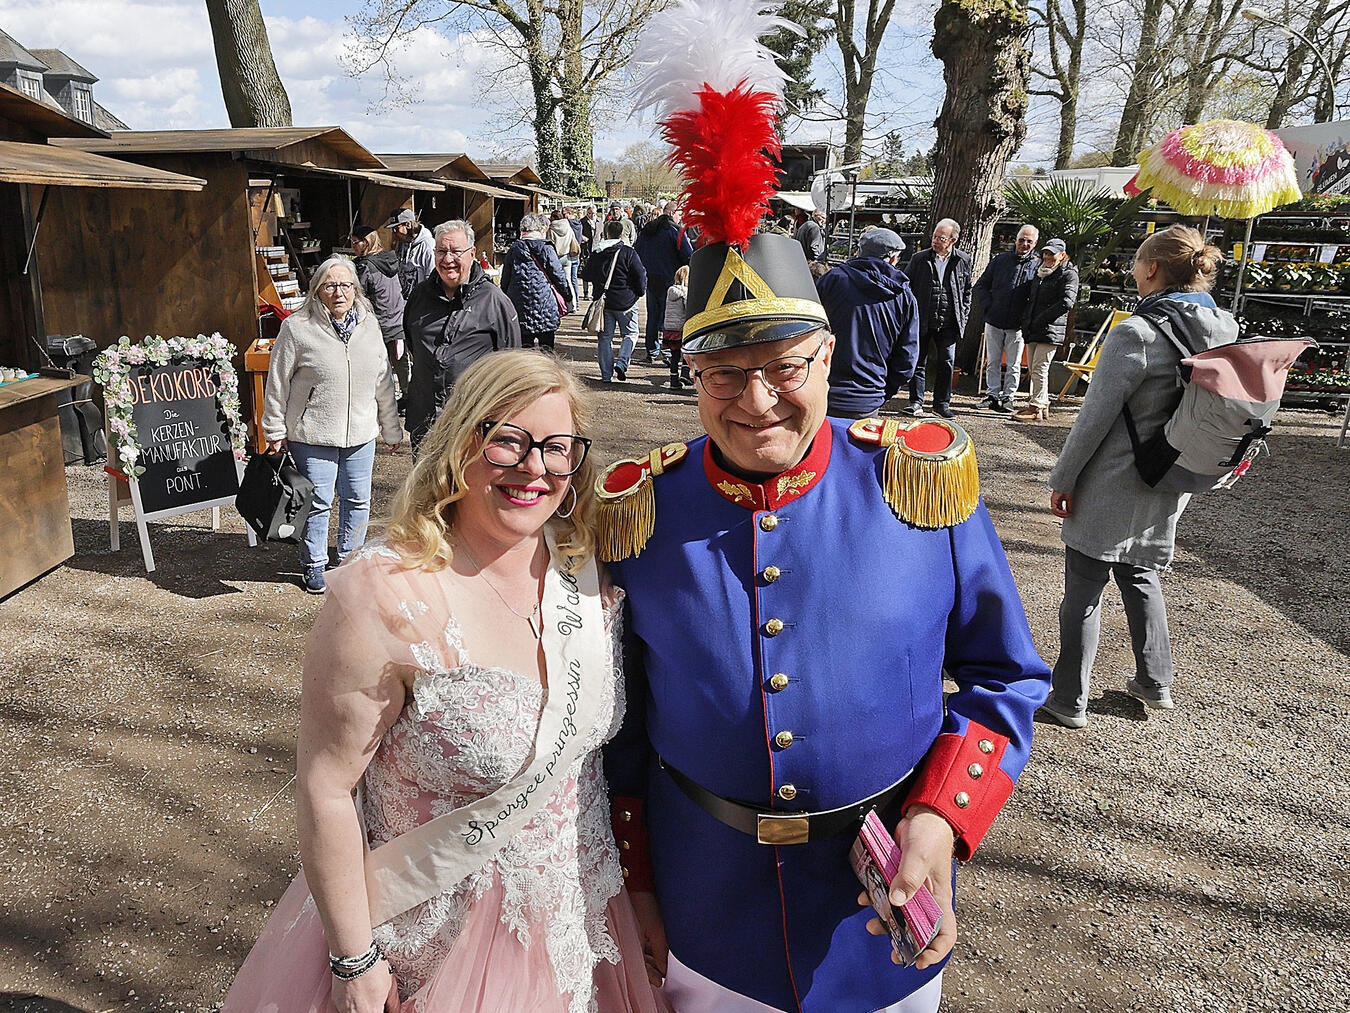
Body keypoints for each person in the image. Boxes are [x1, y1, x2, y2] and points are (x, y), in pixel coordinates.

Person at [598, 230, 1050, 1013]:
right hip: (705, 912)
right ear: (693, 374)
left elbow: (1004, 675)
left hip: (877, 915)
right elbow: (621, 731)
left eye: (783, 366)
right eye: (725, 374)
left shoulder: (916, 481)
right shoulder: (641, 510)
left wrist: (941, 818)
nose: (758, 399)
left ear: (828, 355)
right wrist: (635, 882)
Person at [222, 351, 672, 1013]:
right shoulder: (385, 593)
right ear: (463, 440)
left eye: (557, 447)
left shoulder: (588, 571)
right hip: (427, 943)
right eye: (507, 440)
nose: (534, 467)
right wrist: (355, 959)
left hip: (583, 927)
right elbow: (326, 783)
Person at [1037, 226, 1230, 729]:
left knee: (1083, 589)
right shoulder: (1225, 328)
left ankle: (1067, 700)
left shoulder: (1137, 333)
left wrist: (1064, 476)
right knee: (1141, 573)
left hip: (1113, 480)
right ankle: (1154, 682)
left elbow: (1093, 418)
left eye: (1136, 263)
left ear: (1151, 269)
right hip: (1173, 474)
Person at [261, 255, 402, 595]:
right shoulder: (297, 328)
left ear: (355, 289)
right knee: (319, 501)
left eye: (345, 285)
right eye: (330, 285)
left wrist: (391, 426)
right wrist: (275, 430)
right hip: (313, 434)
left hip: (361, 433)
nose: (339, 292)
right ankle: (314, 565)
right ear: (317, 290)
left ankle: (350, 561)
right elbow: (277, 381)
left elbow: (383, 380)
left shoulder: (369, 325)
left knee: (357, 500)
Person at [403, 220, 521, 448]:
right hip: (425, 422)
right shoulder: (419, 296)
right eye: (441, 252)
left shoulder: (494, 300)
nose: (448, 260)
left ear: (472, 253)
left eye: (456, 252)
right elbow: (413, 345)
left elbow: (511, 366)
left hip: (472, 423)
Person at [815, 226, 920, 419]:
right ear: (893, 259)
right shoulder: (904, 297)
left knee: (820, 449)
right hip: (869, 397)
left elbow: (808, 332)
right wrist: (882, 391)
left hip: (825, 392)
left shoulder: (831, 280)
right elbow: (907, 359)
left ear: (859, 251)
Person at [905, 218, 972, 419]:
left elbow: (967, 289)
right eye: (934, 236)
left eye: (941, 238)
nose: (935, 241)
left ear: (952, 240)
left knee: (947, 362)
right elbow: (907, 286)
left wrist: (964, 313)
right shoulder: (919, 259)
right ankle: (915, 402)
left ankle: (941, 404)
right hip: (923, 318)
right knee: (918, 361)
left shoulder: (963, 260)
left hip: (949, 321)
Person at [972, 224, 1040, 413]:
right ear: (1015, 240)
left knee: (1014, 364)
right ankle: (992, 395)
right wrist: (988, 305)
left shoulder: (1037, 265)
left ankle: (1008, 397)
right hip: (994, 319)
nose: (1024, 244)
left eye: (1029, 241)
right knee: (993, 360)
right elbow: (981, 285)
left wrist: (1027, 316)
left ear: (1035, 243)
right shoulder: (1000, 260)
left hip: (1017, 324)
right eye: (1021, 240)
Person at [1012, 238, 1080, 422]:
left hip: (1050, 329)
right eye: (1046, 253)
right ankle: (1039, 403)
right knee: (1034, 367)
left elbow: (1066, 302)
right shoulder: (1039, 272)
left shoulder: (1069, 274)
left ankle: (1037, 406)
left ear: (1062, 254)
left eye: (1052, 253)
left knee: (1040, 367)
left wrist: (1042, 318)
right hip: (1034, 327)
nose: (1048, 256)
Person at [350, 222, 410, 402]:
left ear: (366, 242)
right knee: (400, 360)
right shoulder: (392, 258)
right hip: (399, 320)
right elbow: (405, 287)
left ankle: (384, 400)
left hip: (379, 324)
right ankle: (406, 395)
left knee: (380, 363)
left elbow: (359, 296)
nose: (353, 246)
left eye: (355, 242)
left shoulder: (365, 266)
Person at [581, 219, 646, 382]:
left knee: (604, 338)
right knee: (630, 334)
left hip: (604, 302)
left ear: (605, 233)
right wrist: (638, 292)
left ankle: (606, 375)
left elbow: (586, 274)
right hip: (626, 301)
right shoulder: (628, 252)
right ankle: (622, 362)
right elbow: (640, 275)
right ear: (622, 234)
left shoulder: (597, 252)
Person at [635, 201, 695, 365]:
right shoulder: (674, 231)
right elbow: (688, 254)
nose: (680, 217)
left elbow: (637, 251)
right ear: (671, 213)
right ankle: (667, 351)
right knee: (670, 317)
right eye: (679, 214)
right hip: (669, 278)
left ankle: (651, 350)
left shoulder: (647, 230)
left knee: (652, 316)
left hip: (650, 278)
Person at [501, 212, 572, 351]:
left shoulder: (514, 249)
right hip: (545, 306)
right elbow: (558, 275)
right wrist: (567, 295)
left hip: (520, 306)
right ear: (540, 229)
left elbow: (505, 279)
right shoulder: (546, 248)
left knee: (524, 351)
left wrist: (504, 299)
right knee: (547, 350)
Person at [386, 208, 436, 298]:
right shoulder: (401, 243)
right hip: (405, 298)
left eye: (396, 229)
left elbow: (432, 277)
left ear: (408, 225)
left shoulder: (428, 246)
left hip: (422, 300)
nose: (394, 234)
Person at [661, 264, 691, 389]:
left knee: (674, 355)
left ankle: (673, 379)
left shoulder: (670, 291)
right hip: (681, 328)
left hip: (670, 328)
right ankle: (685, 373)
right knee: (686, 352)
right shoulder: (685, 293)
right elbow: (687, 309)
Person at [547, 209, 579, 311]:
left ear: (554, 217)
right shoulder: (568, 226)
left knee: (554, 282)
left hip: (555, 257)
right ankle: (573, 305)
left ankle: (558, 305)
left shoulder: (551, 229)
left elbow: (549, 244)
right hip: (567, 257)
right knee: (568, 281)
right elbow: (572, 239)